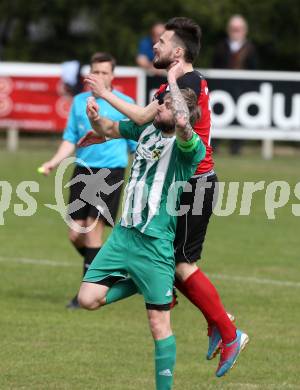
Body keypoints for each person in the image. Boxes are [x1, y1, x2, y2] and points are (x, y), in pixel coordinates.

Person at [84, 17, 249, 378]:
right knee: (170, 260)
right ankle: (215, 324)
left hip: (192, 182)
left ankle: (228, 331)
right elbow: (141, 122)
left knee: (179, 262)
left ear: (177, 52)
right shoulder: (180, 83)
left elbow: (151, 118)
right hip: (183, 182)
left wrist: (104, 93)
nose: (154, 45)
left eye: (161, 41)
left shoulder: (186, 83)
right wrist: (103, 129)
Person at [78, 65, 206, 390]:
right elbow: (109, 126)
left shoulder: (188, 148)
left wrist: (175, 90)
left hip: (154, 244)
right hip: (123, 237)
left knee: (158, 324)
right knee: (87, 298)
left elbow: (186, 132)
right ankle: (139, 283)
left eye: (162, 104)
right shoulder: (145, 131)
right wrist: (97, 120)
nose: (156, 106)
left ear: (179, 114)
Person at [40, 52, 136, 309]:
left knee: (93, 231)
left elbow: (136, 146)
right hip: (82, 171)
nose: (101, 76)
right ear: (89, 75)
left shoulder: (124, 104)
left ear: (113, 75)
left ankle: (85, 295)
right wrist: (54, 161)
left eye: (105, 72)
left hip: (111, 173)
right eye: (96, 72)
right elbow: (70, 139)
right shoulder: (79, 102)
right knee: (75, 235)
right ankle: (110, 274)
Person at [212, 14, 258, 155]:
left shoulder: (250, 49)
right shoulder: (221, 46)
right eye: (233, 29)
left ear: (244, 30)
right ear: (228, 30)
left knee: (240, 118)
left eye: (238, 29)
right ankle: (213, 145)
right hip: (222, 90)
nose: (236, 32)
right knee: (217, 116)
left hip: (242, 90)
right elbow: (215, 66)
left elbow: (254, 70)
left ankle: (236, 148)